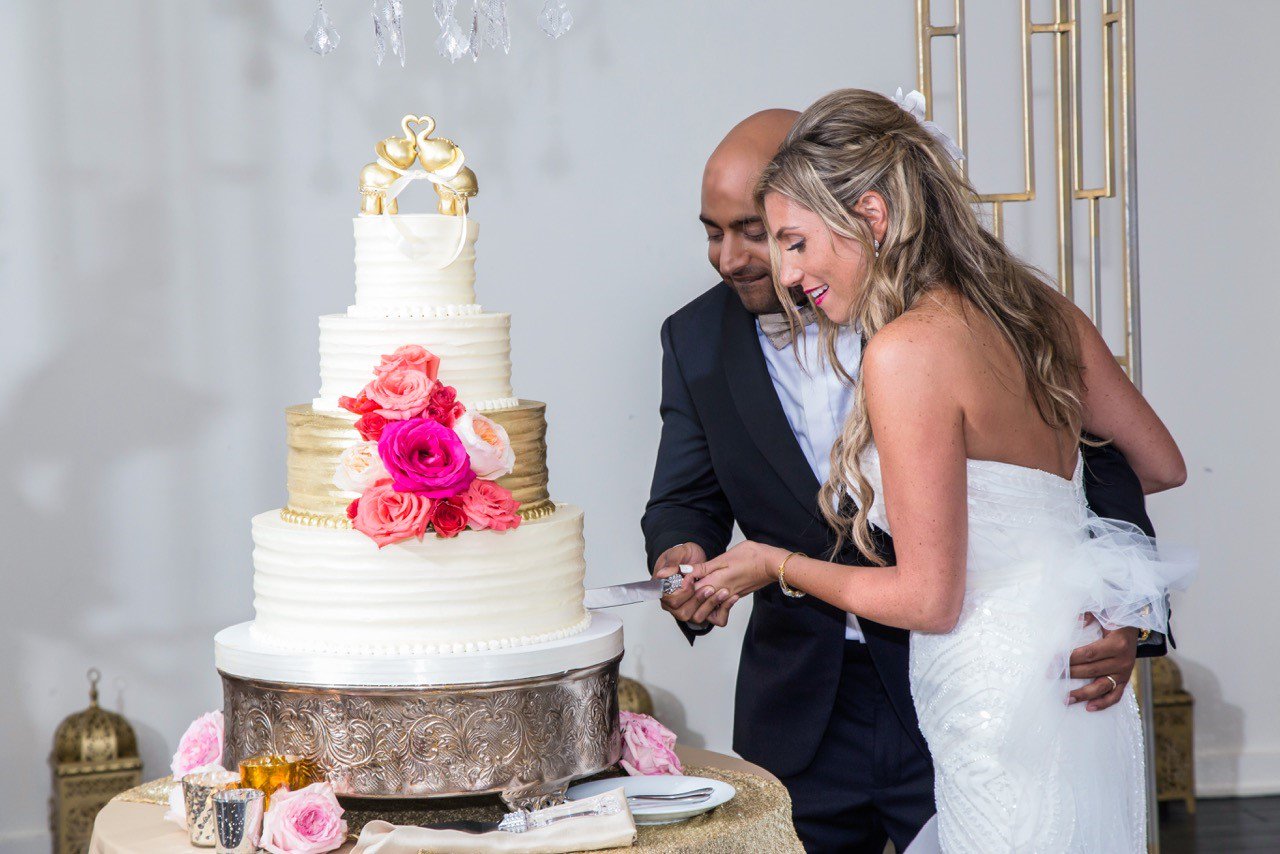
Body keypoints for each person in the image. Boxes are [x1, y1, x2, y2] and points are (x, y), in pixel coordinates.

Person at [676, 89, 1195, 852]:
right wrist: (1067, 577)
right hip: (1069, 680)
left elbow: (927, 597)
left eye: (795, 242)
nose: (785, 276)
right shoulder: (1040, 311)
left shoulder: (906, 353)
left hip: (993, 692)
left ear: (872, 219)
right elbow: (1156, 464)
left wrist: (777, 563)